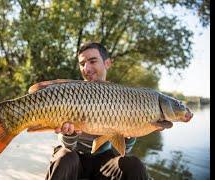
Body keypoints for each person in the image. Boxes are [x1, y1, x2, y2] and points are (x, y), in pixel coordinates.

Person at [45, 42, 150, 180]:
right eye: (82, 64)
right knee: (64, 157)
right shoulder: (71, 93)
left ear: (107, 63)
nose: (86, 68)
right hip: (74, 157)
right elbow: (67, 147)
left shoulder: (123, 96)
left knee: (134, 165)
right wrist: (69, 135)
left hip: (104, 160)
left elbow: (119, 151)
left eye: (92, 61)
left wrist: (129, 134)